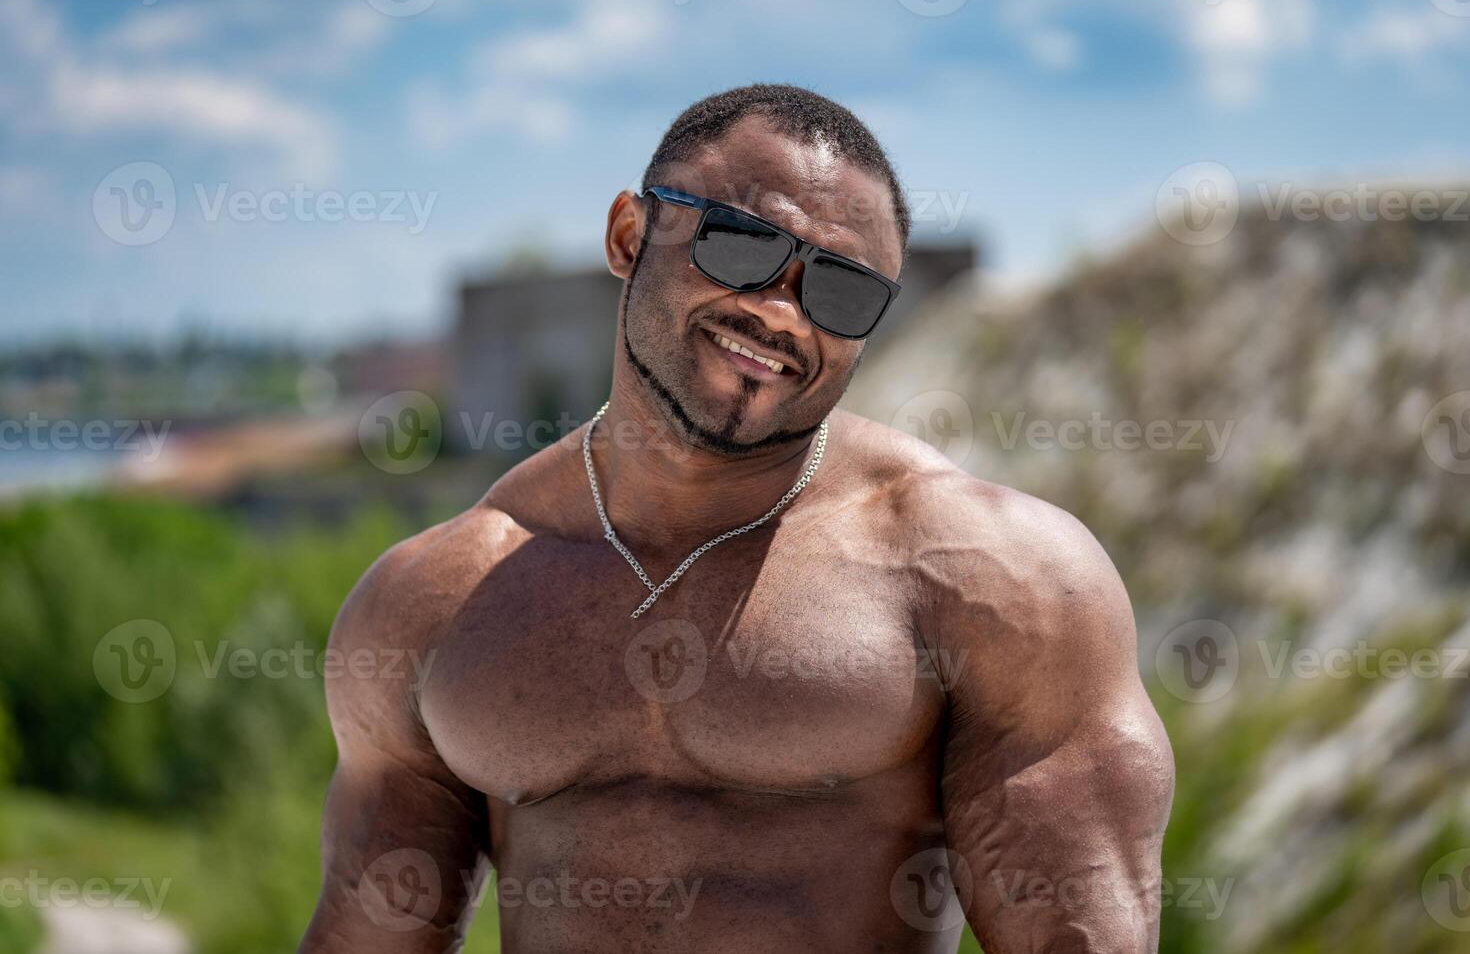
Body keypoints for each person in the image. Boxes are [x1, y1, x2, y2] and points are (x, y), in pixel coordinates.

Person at [299, 83, 1173, 953]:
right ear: (628, 236)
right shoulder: (435, 600)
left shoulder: (997, 580)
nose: (780, 309)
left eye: (842, 292)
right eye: (742, 244)